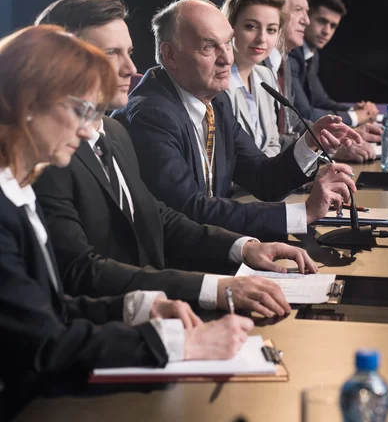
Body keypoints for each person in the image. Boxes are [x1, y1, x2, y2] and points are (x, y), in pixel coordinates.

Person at [0, 24, 255, 418]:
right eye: (79, 110)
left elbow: (45, 310)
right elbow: (45, 345)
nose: (87, 129)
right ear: (29, 103)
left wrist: (138, 307)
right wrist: (181, 345)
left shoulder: (19, 189)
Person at [34, 0, 318, 321]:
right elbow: (80, 272)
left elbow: (159, 217)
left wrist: (244, 247)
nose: (130, 68)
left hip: (157, 303)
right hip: (111, 323)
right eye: (111, 54)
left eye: (129, 52)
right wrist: (211, 289)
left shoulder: (113, 133)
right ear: (60, 64)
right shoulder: (48, 156)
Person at [113, 0, 360, 239]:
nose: (227, 58)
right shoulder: (151, 115)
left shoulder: (217, 101)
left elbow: (263, 179)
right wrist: (302, 213)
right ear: (170, 55)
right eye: (209, 46)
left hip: (215, 244)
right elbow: (189, 211)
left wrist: (310, 143)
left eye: (228, 43)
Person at [258, 0, 381, 162]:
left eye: (333, 26)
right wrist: (329, 146)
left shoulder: (286, 61)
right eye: (299, 10)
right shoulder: (276, 61)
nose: (306, 21)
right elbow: (269, 140)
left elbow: (300, 118)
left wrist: (340, 134)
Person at [289, 0, 379, 127]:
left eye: (333, 26)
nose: (327, 31)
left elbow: (322, 102)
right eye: (322, 21)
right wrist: (355, 117)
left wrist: (355, 110)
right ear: (306, 17)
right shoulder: (291, 54)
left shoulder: (312, 54)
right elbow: (304, 114)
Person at [223, 0, 284, 157]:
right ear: (229, 28)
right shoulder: (215, 83)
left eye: (271, 30)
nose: (262, 38)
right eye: (251, 26)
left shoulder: (266, 76)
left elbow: (273, 144)